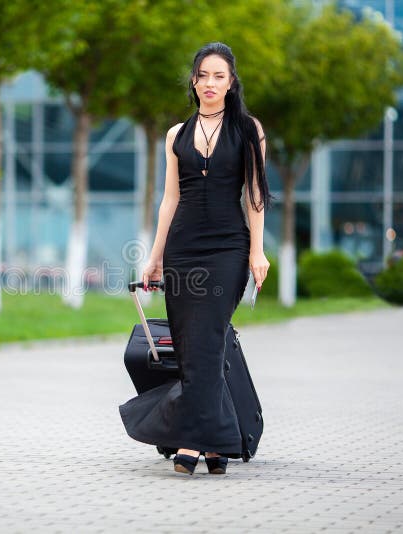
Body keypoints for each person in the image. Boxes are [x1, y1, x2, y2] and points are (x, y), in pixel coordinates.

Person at [118, 42, 271, 475]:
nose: (209, 83)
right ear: (194, 80)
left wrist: (257, 251)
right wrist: (154, 256)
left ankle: (191, 440)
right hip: (184, 247)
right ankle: (216, 445)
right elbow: (170, 201)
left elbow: (256, 195)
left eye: (218, 76)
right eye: (203, 75)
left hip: (228, 247)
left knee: (210, 336)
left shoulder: (248, 130)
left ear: (232, 82)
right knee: (189, 345)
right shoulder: (175, 135)